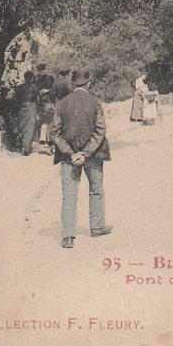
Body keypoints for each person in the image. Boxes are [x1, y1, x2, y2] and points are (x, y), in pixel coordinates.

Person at [49, 69, 111, 249]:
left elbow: (54, 132)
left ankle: (68, 236)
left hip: (68, 156)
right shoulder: (95, 103)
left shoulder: (62, 104)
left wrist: (71, 153)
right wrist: (86, 153)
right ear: (88, 83)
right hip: (93, 154)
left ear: (72, 84)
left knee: (69, 194)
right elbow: (100, 131)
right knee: (96, 189)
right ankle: (97, 227)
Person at [13, 70, 38, 155]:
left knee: (22, 127)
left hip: (22, 108)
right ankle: (26, 148)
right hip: (31, 108)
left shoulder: (19, 88)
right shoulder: (34, 87)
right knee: (29, 128)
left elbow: (17, 100)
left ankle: (22, 145)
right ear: (31, 78)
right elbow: (37, 99)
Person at [34, 64, 56, 148]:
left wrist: (47, 91)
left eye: (41, 70)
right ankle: (45, 138)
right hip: (40, 101)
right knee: (43, 119)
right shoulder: (35, 78)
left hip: (47, 100)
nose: (41, 72)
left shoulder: (48, 78)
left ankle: (45, 138)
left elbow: (53, 89)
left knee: (47, 119)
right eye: (39, 70)